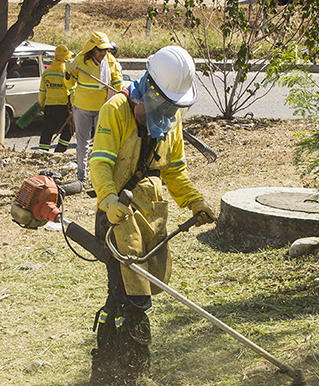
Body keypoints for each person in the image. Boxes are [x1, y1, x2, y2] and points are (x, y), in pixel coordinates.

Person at [88, 45, 217, 385]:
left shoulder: (170, 121)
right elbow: (99, 162)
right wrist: (108, 198)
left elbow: (174, 171)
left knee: (131, 290)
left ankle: (104, 368)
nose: (170, 110)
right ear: (150, 87)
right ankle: (128, 373)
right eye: (165, 102)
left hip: (149, 212)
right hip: (116, 213)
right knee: (134, 298)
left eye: (176, 105)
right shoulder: (117, 109)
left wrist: (194, 202)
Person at [65, 31, 125, 188]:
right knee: (82, 144)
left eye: (106, 50)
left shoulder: (110, 61)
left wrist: (123, 93)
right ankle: (81, 178)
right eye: (100, 50)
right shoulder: (79, 60)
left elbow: (118, 81)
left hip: (102, 109)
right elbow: (69, 84)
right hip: (82, 108)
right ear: (92, 49)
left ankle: (99, 179)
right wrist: (68, 73)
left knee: (100, 145)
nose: (103, 53)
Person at [37, 45, 75, 153]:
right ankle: (59, 151)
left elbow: (42, 92)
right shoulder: (65, 72)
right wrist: (73, 104)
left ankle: (42, 152)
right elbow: (72, 90)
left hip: (49, 106)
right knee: (68, 129)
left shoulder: (47, 72)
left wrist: (43, 103)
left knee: (48, 130)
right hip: (63, 106)